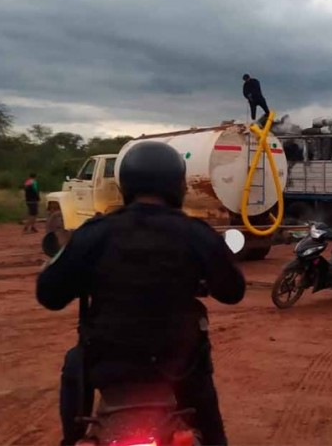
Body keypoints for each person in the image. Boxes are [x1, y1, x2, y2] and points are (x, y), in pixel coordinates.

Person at [36, 141, 246, 446]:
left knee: (74, 363)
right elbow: (232, 292)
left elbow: (49, 295)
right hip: (180, 366)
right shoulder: (196, 234)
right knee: (207, 417)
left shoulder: (94, 233)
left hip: (107, 365)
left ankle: (72, 437)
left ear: (126, 185)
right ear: (177, 185)